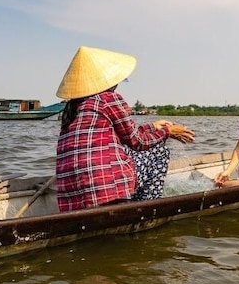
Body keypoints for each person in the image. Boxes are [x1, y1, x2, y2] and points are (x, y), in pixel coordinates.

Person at [54, 46, 195, 211]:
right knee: (159, 151)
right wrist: (167, 132)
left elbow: (120, 135)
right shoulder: (109, 99)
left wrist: (153, 126)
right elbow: (138, 142)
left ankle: (132, 200)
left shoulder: (72, 108)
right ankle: (145, 208)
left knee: (125, 151)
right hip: (102, 191)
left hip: (70, 199)